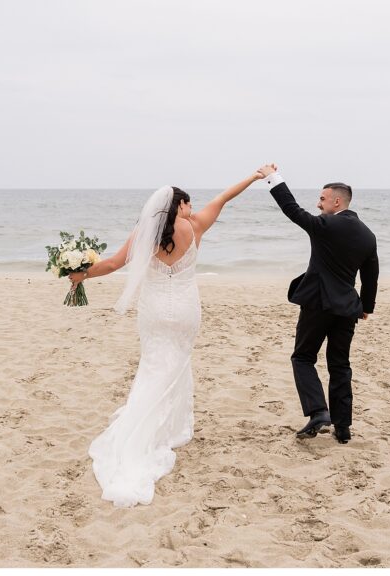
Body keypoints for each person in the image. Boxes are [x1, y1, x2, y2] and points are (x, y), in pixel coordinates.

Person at [68, 168, 265, 507]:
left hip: (155, 310)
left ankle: (150, 425)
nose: (193, 208)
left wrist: (80, 274)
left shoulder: (145, 232)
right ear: (181, 205)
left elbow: (114, 264)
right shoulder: (195, 226)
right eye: (189, 204)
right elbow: (225, 197)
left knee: (154, 365)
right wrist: (254, 177)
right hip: (186, 309)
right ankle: (170, 428)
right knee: (177, 364)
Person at [257, 164, 379, 444]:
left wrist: (273, 178)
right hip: (348, 309)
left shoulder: (326, 225)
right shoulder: (367, 235)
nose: (318, 203)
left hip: (317, 305)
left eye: (322, 199)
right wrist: (367, 307)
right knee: (340, 365)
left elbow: (292, 209)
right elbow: (371, 275)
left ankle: (318, 411)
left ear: (337, 201)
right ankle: (343, 427)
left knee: (302, 357)